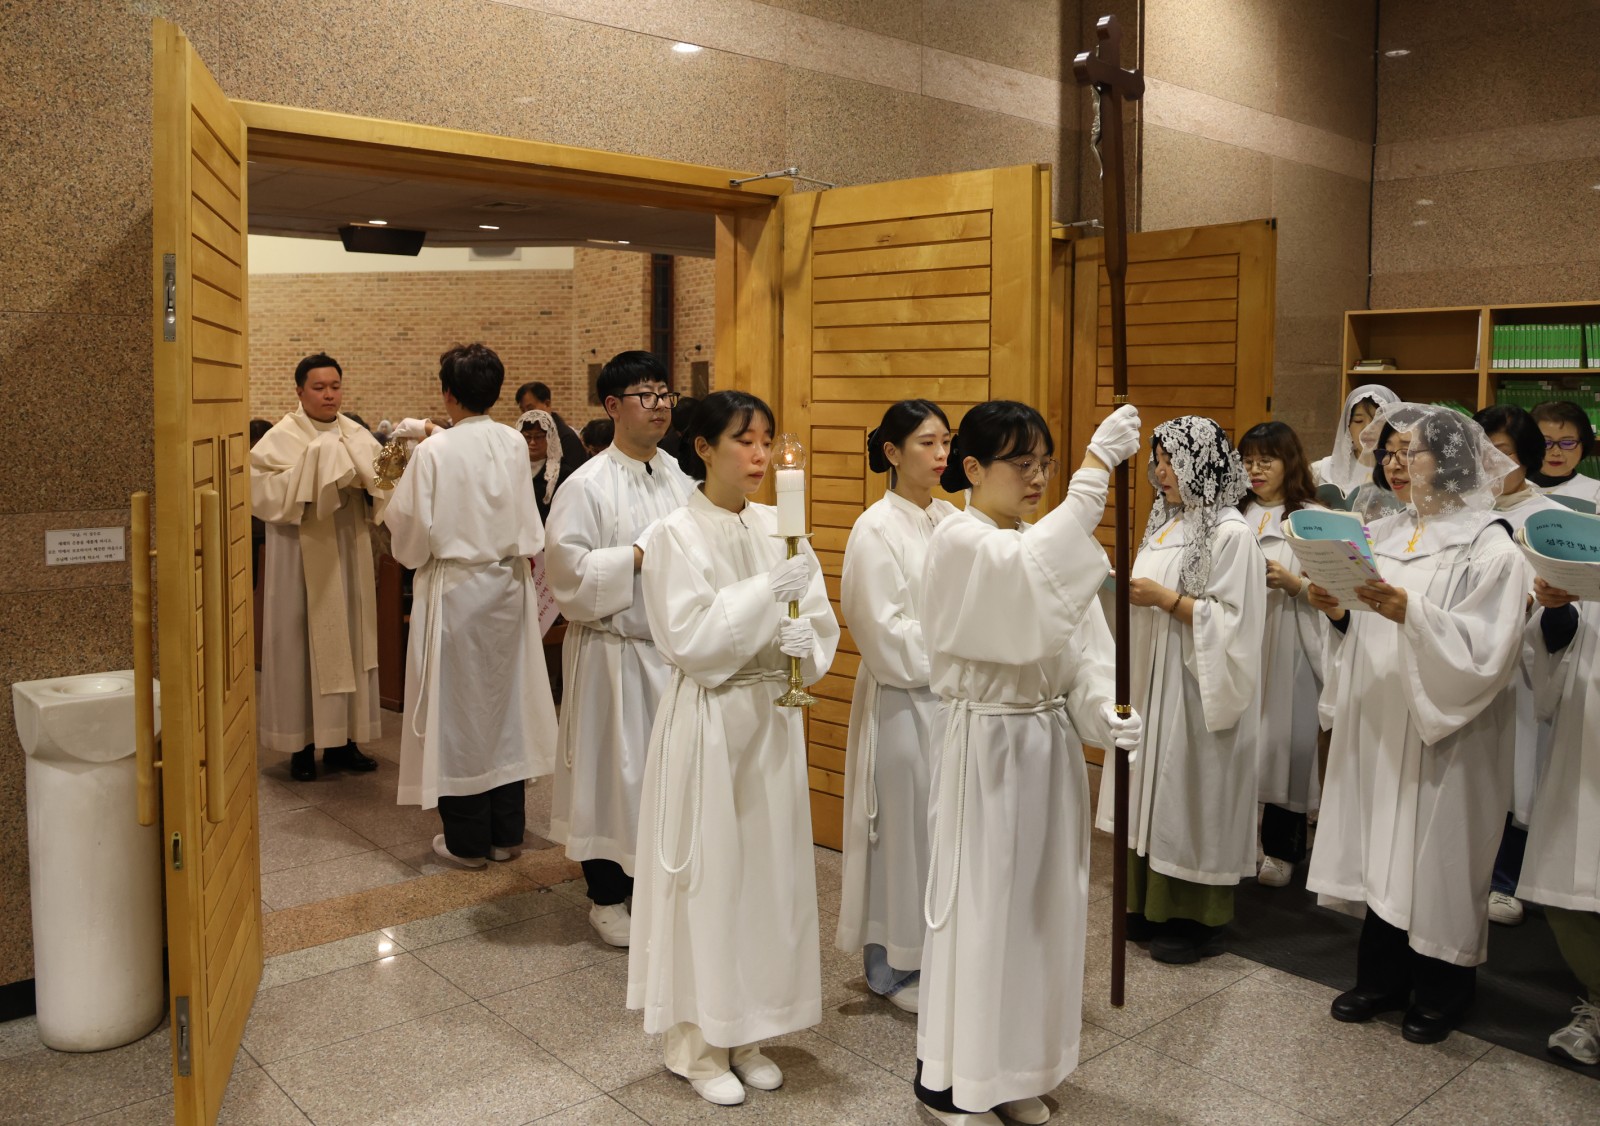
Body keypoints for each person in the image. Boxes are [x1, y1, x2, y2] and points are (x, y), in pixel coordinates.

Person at [913, 401, 1143, 1126]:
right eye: (1022, 463)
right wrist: (1093, 475)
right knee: (984, 915)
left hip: (1046, 752)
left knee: (1040, 918)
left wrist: (1103, 711)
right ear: (973, 469)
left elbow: (1083, 655)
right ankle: (952, 1083)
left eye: (1046, 462)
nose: (1038, 476)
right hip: (986, 749)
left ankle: (1012, 1070)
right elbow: (1022, 586)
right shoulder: (958, 540)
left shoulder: (1037, 549)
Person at [627, 390, 839, 1108]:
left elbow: (816, 618)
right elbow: (691, 640)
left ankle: (747, 1029)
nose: (759, 454)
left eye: (766, 440)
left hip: (770, 719)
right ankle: (695, 1044)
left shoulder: (781, 525)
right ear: (704, 448)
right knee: (710, 878)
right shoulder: (673, 535)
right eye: (744, 440)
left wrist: (807, 644)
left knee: (766, 877)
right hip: (711, 717)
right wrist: (763, 593)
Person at [1306, 403, 1526, 1044]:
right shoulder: (1381, 531)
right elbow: (1361, 625)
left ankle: (1441, 989)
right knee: (1382, 841)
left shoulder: (1488, 545)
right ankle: (1381, 979)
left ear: (1452, 461)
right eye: (1390, 454)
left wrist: (1414, 614)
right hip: (1381, 715)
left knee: (1437, 853)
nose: (1395, 464)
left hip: (1446, 727)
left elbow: (1490, 648)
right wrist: (1337, 610)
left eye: (1411, 452)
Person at [383, 343, 560, 868]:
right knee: (505, 709)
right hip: (507, 587)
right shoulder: (513, 441)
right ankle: (506, 834)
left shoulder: (433, 452)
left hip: (457, 592)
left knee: (459, 714)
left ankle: (467, 842)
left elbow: (409, 532)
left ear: (447, 393)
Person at [1099, 417, 1267, 966]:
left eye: (1172, 459)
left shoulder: (1231, 533)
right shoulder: (1168, 525)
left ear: (1204, 462)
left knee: (1189, 791)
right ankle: (1147, 903)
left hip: (1197, 685)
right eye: (1158, 460)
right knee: (1151, 788)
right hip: (1153, 679)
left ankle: (1195, 917)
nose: (1162, 471)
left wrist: (1166, 601)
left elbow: (1236, 622)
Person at [545, 351, 693, 946]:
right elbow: (568, 576)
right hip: (612, 652)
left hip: (669, 652)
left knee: (661, 776)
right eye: (645, 396)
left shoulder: (677, 475)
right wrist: (635, 556)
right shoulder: (586, 485)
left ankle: (654, 886)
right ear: (612, 406)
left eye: (665, 395)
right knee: (611, 777)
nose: (659, 407)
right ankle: (606, 897)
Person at [834, 399, 956, 1016]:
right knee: (902, 833)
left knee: (940, 832)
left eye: (946, 442)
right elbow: (882, 631)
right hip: (903, 700)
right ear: (892, 452)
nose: (941, 455)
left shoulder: (950, 517)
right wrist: (959, 644)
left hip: (952, 701)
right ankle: (892, 966)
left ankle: (940, 954)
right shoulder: (874, 528)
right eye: (927, 443)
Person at [250, 354, 385, 782]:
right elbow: (260, 492)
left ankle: (346, 741)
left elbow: (390, 479)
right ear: (300, 391)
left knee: (350, 639)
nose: (329, 395)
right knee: (300, 644)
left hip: (348, 550)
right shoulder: (280, 437)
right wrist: (314, 467)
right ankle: (302, 745)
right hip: (299, 557)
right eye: (319, 387)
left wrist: (401, 446)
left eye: (335, 387)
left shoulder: (356, 433)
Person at [1474, 404, 1563, 928]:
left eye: (1502, 453)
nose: (1489, 464)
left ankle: (1507, 879)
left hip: (1526, 664)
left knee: (1519, 770)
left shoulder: (1547, 518)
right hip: (1468, 655)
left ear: (1527, 457)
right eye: (1480, 452)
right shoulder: (1461, 513)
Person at [1237, 421, 1325, 888]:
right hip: (1242, 642)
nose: (1255, 470)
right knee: (1241, 741)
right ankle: (1235, 842)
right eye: (1248, 461)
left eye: (1266, 460)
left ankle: (1282, 848)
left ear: (1289, 462)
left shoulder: (1312, 518)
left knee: (1284, 744)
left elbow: (1340, 592)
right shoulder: (1234, 513)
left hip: (1292, 639)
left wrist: (1296, 585)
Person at [1521, 576, 1600, 1065]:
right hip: (1586, 735)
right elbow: (1562, 645)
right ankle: (1598, 1002)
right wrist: (1555, 610)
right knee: (1569, 883)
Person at [1311, 383, 1404, 522]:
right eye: (1358, 420)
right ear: (1348, 426)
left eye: (1377, 420)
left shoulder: (1403, 471)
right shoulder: (1320, 470)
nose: (1367, 428)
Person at [519, 408, 589, 524]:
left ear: (550, 438)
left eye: (538, 437)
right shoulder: (512, 468)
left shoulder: (562, 473)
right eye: (527, 436)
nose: (532, 442)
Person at [1530, 400, 1600, 506]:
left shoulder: (1596, 492)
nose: (1556, 452)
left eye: (1567, 443)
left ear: (1584, 444)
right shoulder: (1510, 491)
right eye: (1545, 443)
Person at [517, 378, 582, 445]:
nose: (526, 415)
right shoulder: (521, 435)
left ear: (547, 404)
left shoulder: (566, 437)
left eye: (530, 409)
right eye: (522, 410)